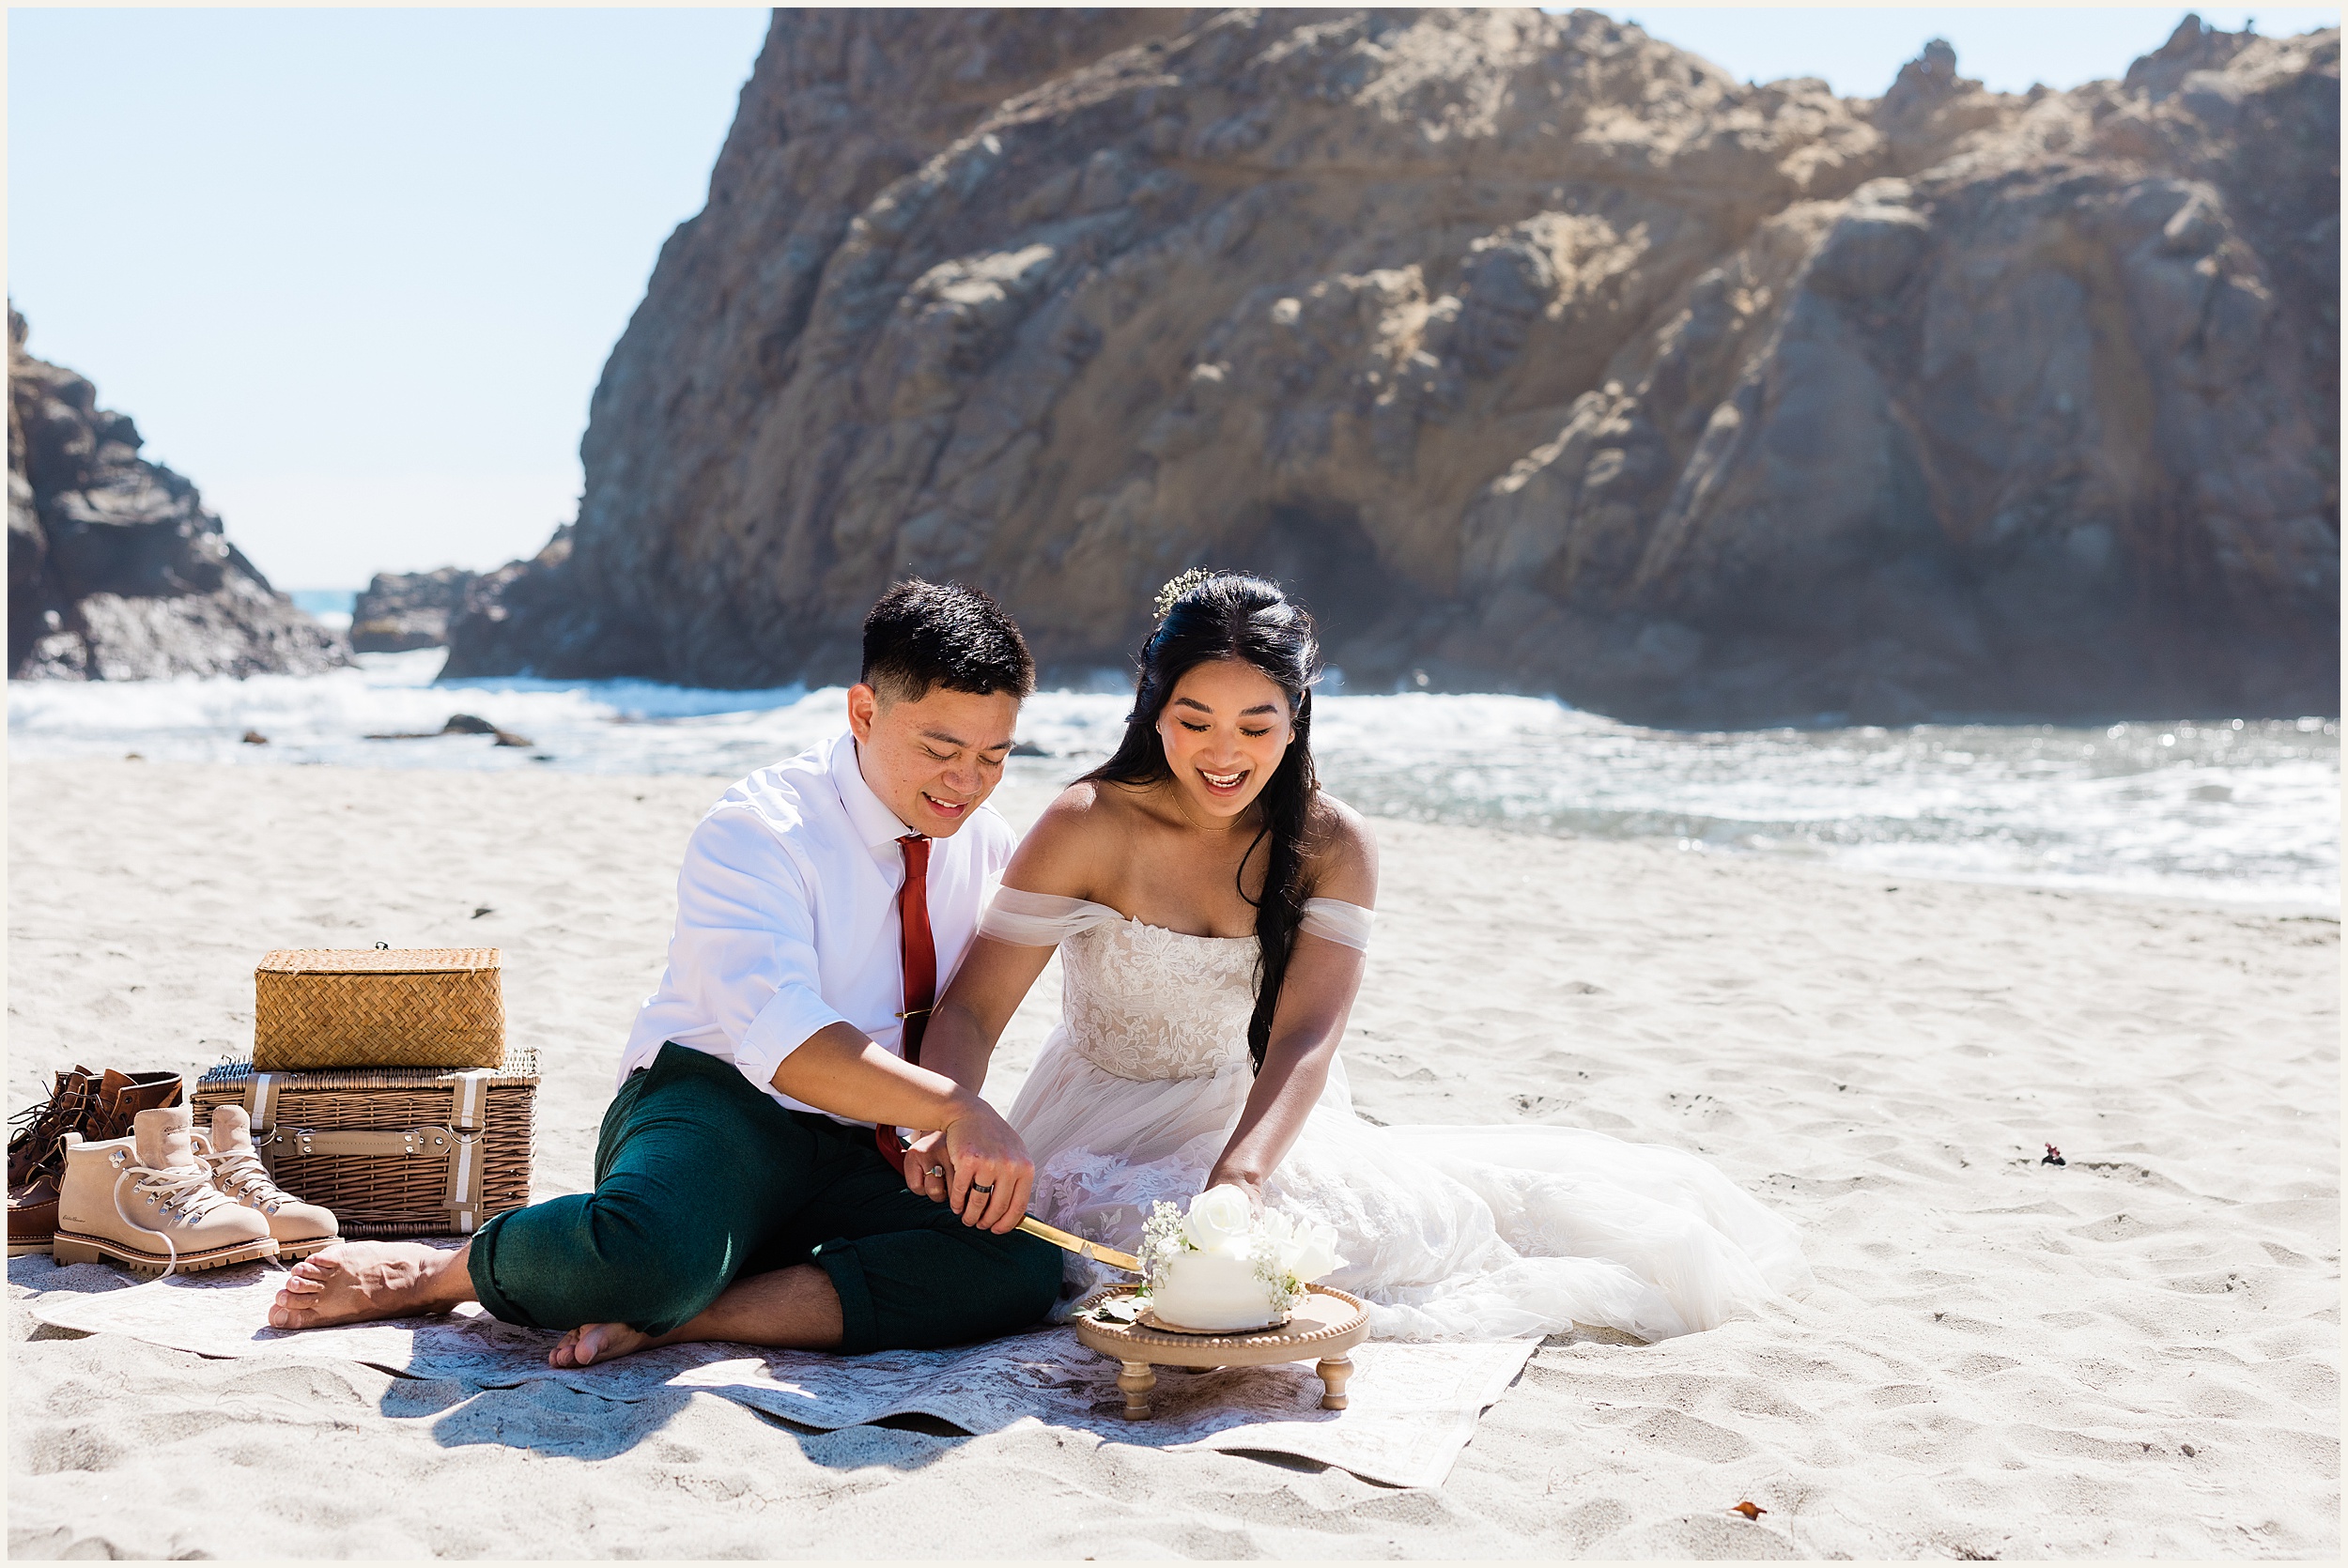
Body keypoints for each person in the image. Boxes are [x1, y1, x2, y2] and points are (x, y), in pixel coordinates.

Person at [931, 569, 1812, 1342]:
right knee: (1111, 1257)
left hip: (1255, 1116)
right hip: (1093, 1109)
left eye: (1257, 723)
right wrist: (954, 1117)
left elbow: (1307, 1035)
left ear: (1297, 715)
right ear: (1154, 710)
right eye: (1194, 720)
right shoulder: (1087, 824)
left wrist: (1238, 1177)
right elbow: (972, 1009)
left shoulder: (1332, 842)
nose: (1224, 752)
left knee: (1321, 1257)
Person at [265, 580, 1063, 1361]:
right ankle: (437, 1273)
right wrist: (956, 1108)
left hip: (867, 1137)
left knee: (1019, 1265)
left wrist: (931, 1122)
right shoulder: (758, 829)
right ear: (863, 712)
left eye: (995, 755)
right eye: (941, 749)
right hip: (715, 1102)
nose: (969, 781)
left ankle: (685, 1317)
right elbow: (784, 1040)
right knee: (644, 1257)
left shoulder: (982, 839)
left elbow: (962, 1011)